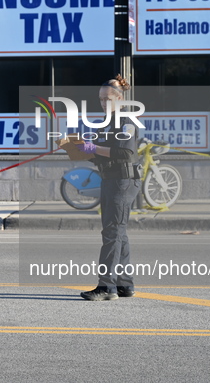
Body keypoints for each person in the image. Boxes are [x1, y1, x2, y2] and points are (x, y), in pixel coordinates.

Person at [75, 75, 142, 301]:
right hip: (110, 179)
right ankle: (124, 284)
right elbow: (100, 154)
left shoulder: (126, 120)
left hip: (123, 181)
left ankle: (106, 287)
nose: (103, 103)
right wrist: (78, 148)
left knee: (112, 233)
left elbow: (125, 153)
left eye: (107, 99)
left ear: (119, 98)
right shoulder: (105, 122)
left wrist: (93, 147)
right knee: (117, 232)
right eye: (101, 99)